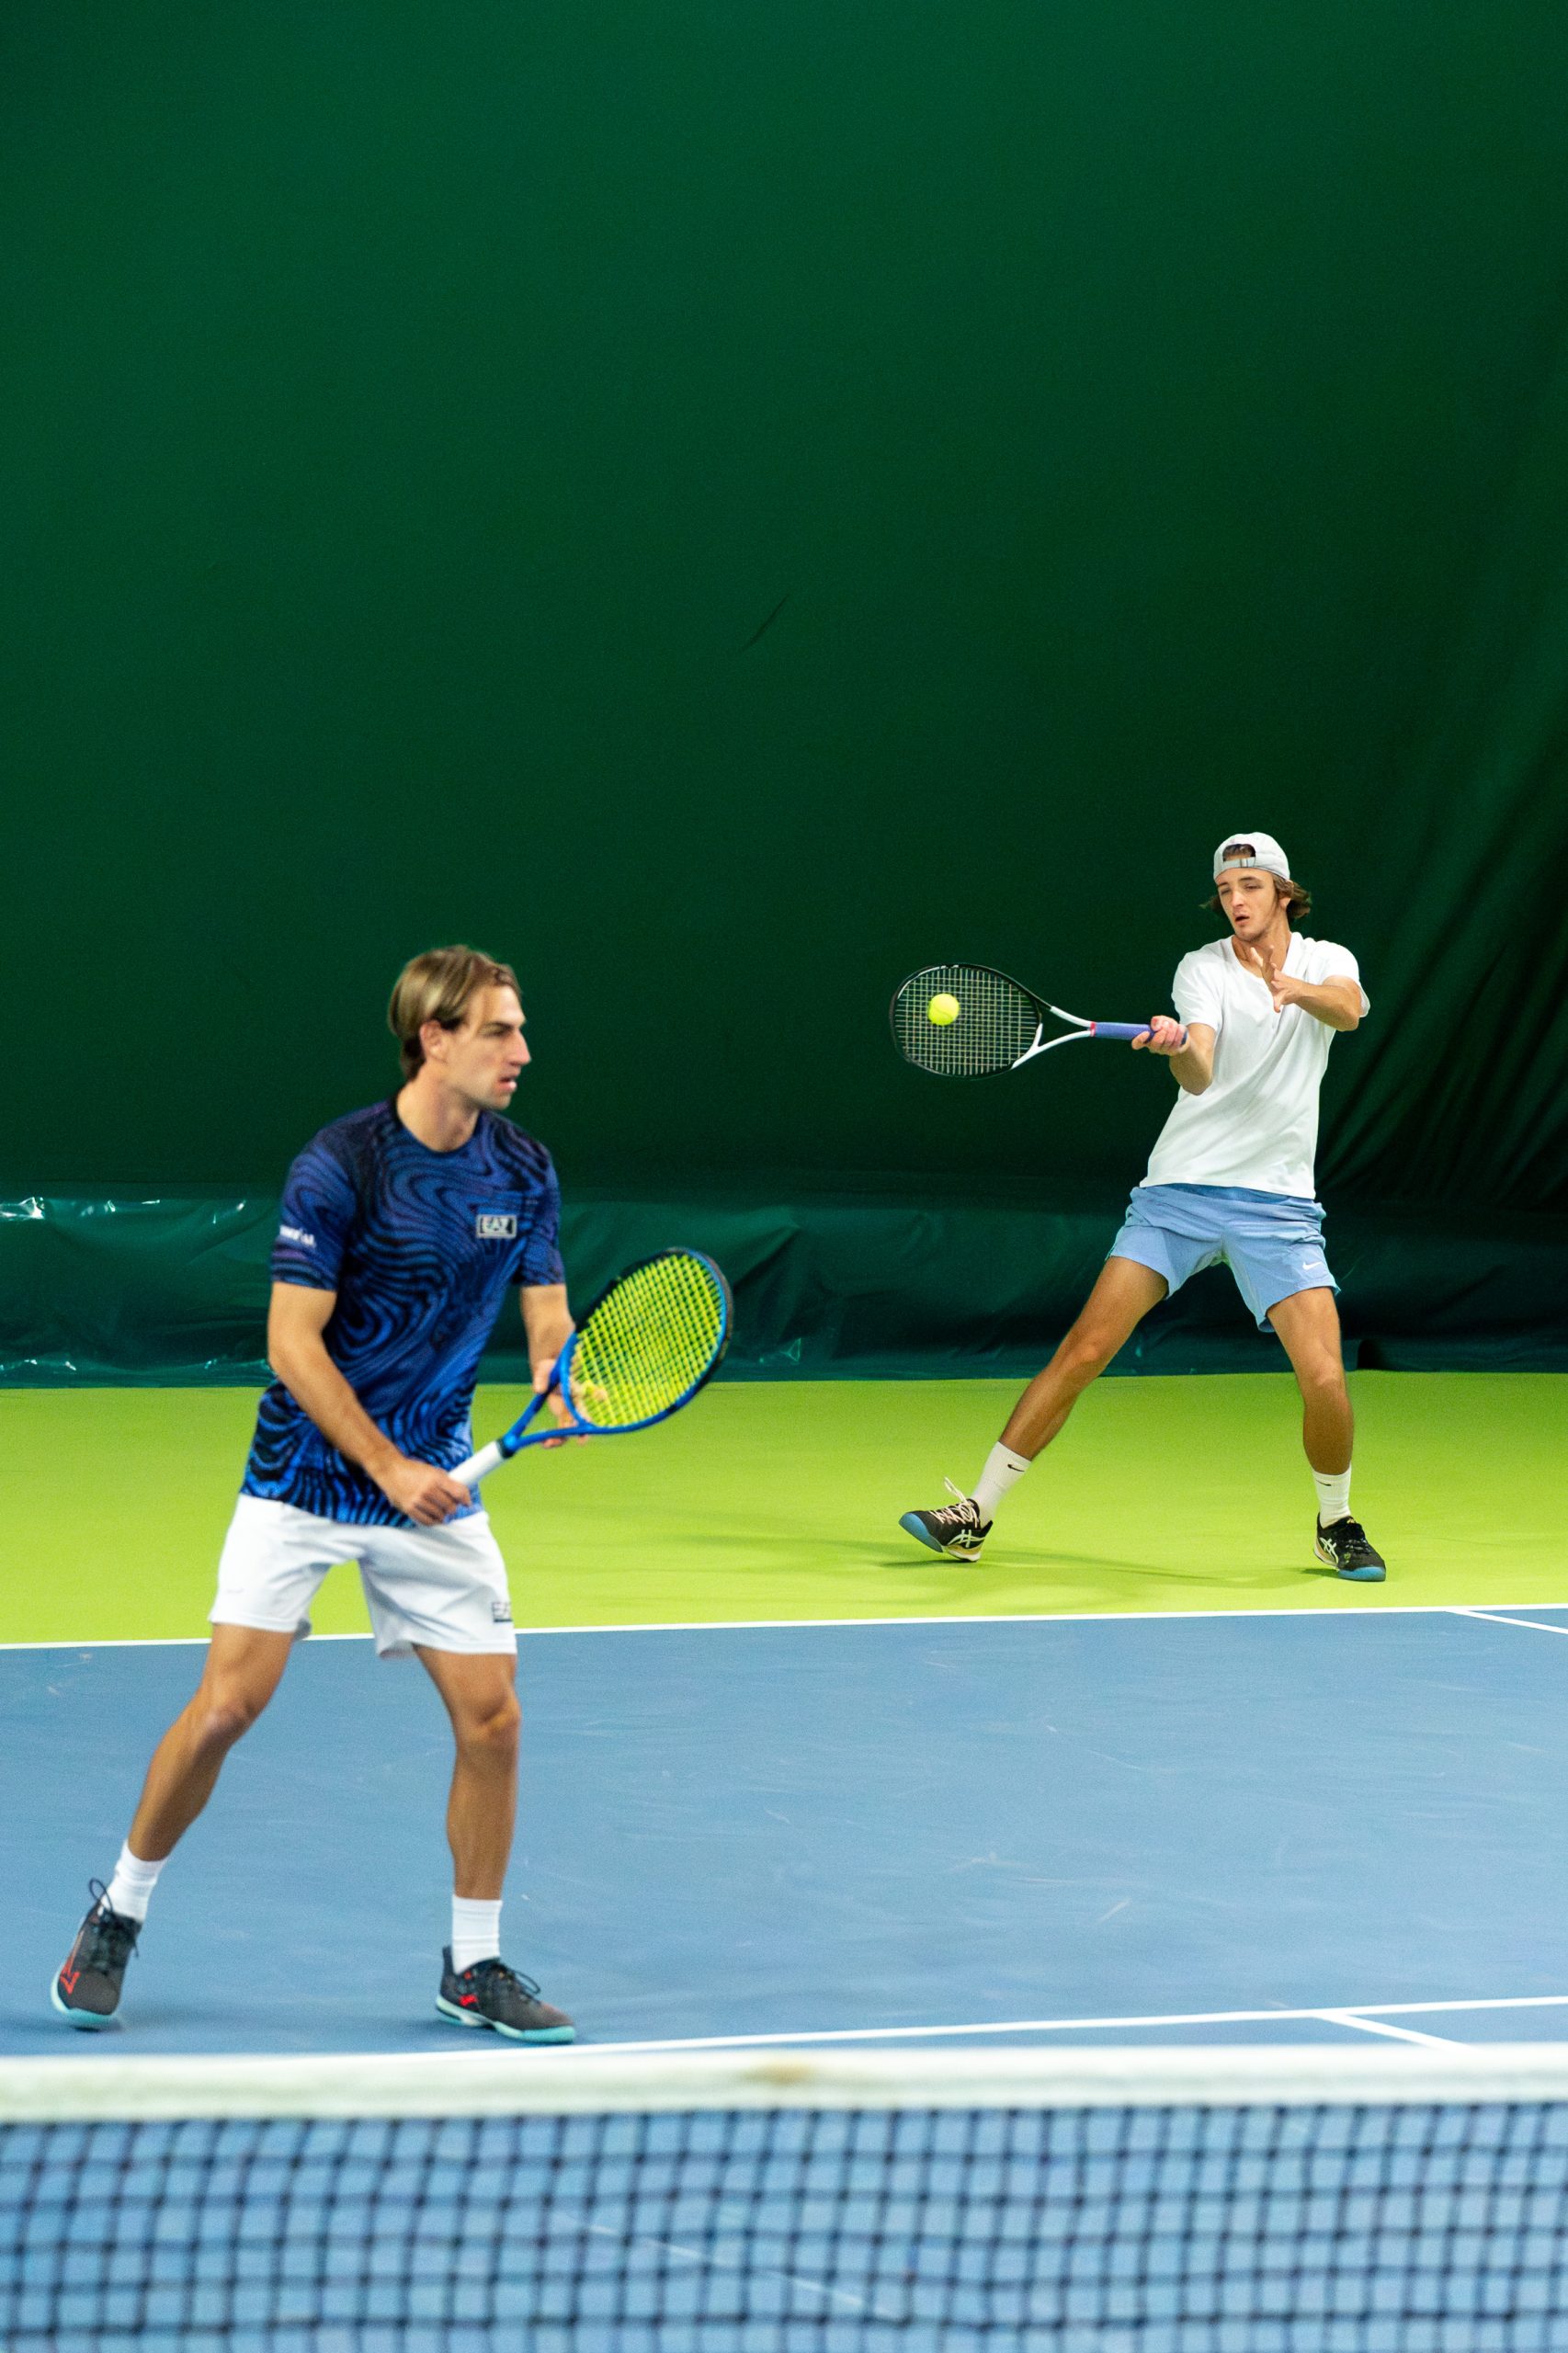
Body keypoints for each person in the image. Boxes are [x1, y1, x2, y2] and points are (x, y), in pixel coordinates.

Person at [52, 946, 577, 2039]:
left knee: (493, 1719)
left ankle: (472, 1964)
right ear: (433, 1037)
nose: (522, 1051)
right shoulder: (341, 1164)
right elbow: (292, 1343)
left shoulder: (522, 1168)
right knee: (226, 1708)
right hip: (303, 1478)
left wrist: (552, 1373)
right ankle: (119, 1912)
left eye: (520, 1028)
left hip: (435, 1479)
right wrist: (385, 1468)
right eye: (498, 1030)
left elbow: (545, 1309)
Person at [900, 833, 1385, 1581]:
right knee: (1084, 1350)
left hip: (1278, 1206)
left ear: (1284, 893)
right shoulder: (1202, 967)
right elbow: (1201, 1071)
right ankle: (976, 1514)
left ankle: (1336, 1522)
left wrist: (1295, 989)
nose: (1236, 902)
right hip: (1179, 1193)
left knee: (1324, 1376)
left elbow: (1349, 1011)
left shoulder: (1328, 959)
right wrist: (1176, 1045)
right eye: (1225, 891)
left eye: (1251, 887)